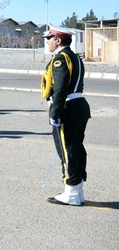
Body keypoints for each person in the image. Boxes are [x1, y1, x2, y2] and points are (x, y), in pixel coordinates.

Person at [42, 27, 90, 206]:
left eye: (49, 38)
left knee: (67, 151)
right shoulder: (76, 57)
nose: (47, 42)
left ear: (58, 40)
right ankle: (77, 191)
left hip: (67, 107)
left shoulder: (60, 59)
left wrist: (55, 112)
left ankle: (71, 192)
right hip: (79, 106)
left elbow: (61, 87)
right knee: (76, 149)